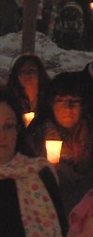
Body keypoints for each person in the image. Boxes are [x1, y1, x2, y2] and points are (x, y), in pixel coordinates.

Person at [0, 89, 66, 237]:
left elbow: (63, 231)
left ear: (17, 130)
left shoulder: (39, 173)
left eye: (8, 126)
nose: (1, 135)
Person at [24, 72, 93, 215]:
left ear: (84, 106)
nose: (68, 107)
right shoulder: (35, 140)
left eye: (74, 100)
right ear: (52, 104)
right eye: (61, 100)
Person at [5, 54, 51, 124]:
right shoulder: (9, 100)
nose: (27, 74)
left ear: (40, 73)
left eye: (31, 70)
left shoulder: (49, 98)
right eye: (23, 71)